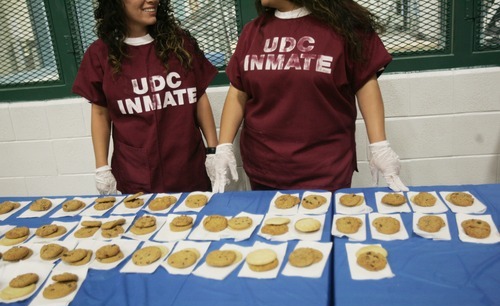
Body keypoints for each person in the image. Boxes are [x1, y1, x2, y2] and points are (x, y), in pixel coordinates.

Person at [213, 0, 408, 193]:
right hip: (265, 168)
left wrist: (379, 146)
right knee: (273, 224)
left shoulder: (346, 28)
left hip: (324, 169)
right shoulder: (252, 32)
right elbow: (238, 91)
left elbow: (366, 85)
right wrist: (224, 146)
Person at [72, 0, 218, 195]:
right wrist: (102, 167)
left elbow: (199, 97)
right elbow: (100, 112)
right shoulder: (100, 53)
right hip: (136, 174)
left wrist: (213, 151)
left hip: (188, 168)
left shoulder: (180, 44)